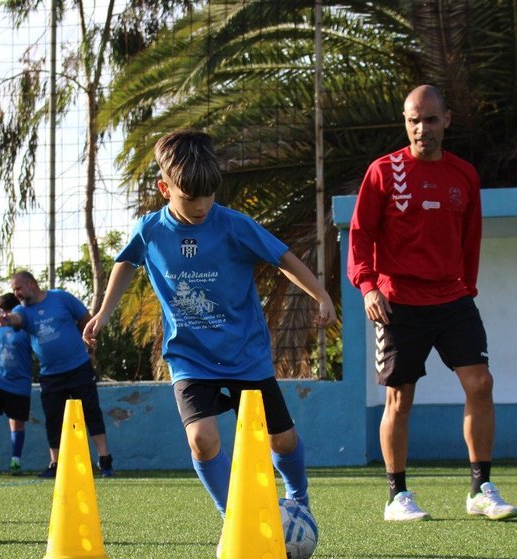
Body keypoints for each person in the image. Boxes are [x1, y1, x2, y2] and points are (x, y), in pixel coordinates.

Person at [84, 129, 335, 522]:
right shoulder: (149, 230)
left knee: (281, 439)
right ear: (164, 188)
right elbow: (126, 262)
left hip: (244, 353)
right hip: (189, 357)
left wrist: (320, 294)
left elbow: (284, 259)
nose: (201, 206)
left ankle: (298, 498)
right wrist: (103, 311)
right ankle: (234, 519)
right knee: (201, 440)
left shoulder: (234, 225)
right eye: (190, 197)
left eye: (209, 196)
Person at [348, 84, 517, 522]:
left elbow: (470, 238)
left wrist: (467, 289)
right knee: (399, 400)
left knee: (480, 383)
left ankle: (481, 488)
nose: (421, 128)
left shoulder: (464, 175)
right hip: (398, 301)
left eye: (429, 119)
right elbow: (361, 234)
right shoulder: (383, 172)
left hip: (453, 298)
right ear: (405, 123)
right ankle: (396, 496)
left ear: (446, 121)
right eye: (412, 120)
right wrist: (367, 287)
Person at [0, 271, 114, 479]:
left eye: (18, 288)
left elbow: (85, 319)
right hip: (51, 375)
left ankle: (105, 461)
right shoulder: (21, 311)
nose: (17, 294)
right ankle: (56, 464)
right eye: (14, 290)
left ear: (31, 284)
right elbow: (17, 319)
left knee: (91, 413)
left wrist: (89, 342)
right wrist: (7, 320)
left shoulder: (61, 298)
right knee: (53, 420)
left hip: (79, 368)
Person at [0, 292, 34, 475]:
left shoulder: (26, 327)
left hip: (20, 381)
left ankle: (15, 462)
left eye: (6, 311)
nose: (3, 315)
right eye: (1, 311)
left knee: (16, 423)